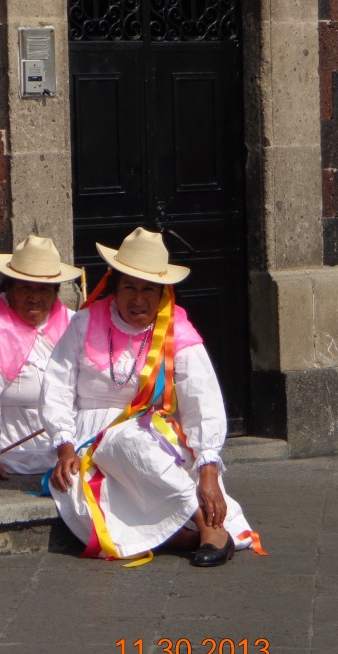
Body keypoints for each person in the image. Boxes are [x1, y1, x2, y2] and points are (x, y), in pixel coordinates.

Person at [41, 228, 256, 566]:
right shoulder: (84, 323)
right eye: (129, 287)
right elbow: (56, 387)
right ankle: (195, 534)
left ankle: (205, 525)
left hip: (150, 434)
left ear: (162, 292)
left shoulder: (176, 332)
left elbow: (203, 402)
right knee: (88, 503)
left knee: (132, 442)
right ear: (114, 288)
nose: (137, 299)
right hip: (85, 438)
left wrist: (208, 469)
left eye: (148, 289)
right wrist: (64, 445)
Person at [0, 235, 81, 480]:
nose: (34, 298)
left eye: (43, 289)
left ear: (55, 293)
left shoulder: (73, 323)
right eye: (25, 287)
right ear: (9, 289)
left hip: (70, 451)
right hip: (11, 456)